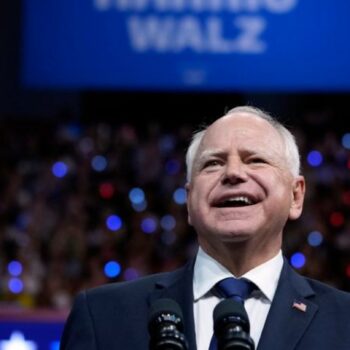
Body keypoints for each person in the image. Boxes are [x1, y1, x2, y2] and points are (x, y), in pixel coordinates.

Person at [60, 106, 350, 349]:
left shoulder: (344, 321)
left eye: (256, 160)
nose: (233, 173)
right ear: (189, 201)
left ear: (296, 196)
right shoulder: (102, 316)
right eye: (212, 163)